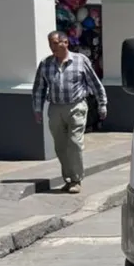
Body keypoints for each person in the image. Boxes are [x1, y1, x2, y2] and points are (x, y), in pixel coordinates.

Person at [32, 30, 107, 194]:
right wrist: (37, 109)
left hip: (76, 106)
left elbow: (94, 83)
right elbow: (39, 88)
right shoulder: (46, 64)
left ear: (65, 43)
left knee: (74, 143)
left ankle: (76, 179)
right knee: (60, 146)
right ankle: (68, 178)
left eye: (55, 43)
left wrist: (102, 104)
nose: (52, 47)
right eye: (50, 44)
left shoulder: (81, 61)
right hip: (55, 108)